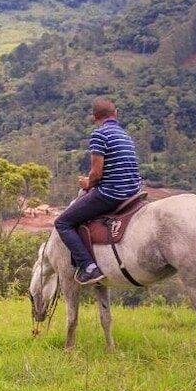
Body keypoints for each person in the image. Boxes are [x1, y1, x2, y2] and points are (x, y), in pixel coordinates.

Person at [54, 97, 142, 286]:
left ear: (94, 118)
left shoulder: (99, 135)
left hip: (112, 194)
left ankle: (89, 267)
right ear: (115, 113)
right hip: (133, 193)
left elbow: (96, 173)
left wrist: (87, 183)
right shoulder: (126, 136)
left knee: (62, 222)